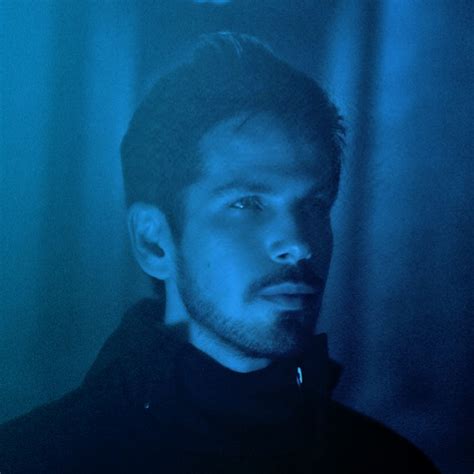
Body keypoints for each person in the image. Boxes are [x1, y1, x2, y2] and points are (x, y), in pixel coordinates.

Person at [0, 32, 438, 474]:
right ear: (154, 242)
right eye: (247, 204)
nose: (299, 243)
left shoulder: (390, 466)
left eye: (314, 205)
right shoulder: (31, 460)